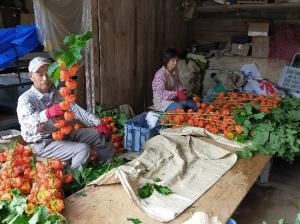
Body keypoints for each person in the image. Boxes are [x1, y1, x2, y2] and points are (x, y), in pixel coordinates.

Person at [17, 57, 115, 170]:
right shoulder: (26, 99)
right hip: (45, 143)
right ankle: (73, 180)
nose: (45, 78)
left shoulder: (57, 95)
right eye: (40, 74)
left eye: (48, 74)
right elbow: (28, 121)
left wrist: (98, 123)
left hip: (64, 136)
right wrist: (47, 114)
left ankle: (107, 168)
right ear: (31, 76)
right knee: (83, 149)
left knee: (100, 134)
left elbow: (77, 110)